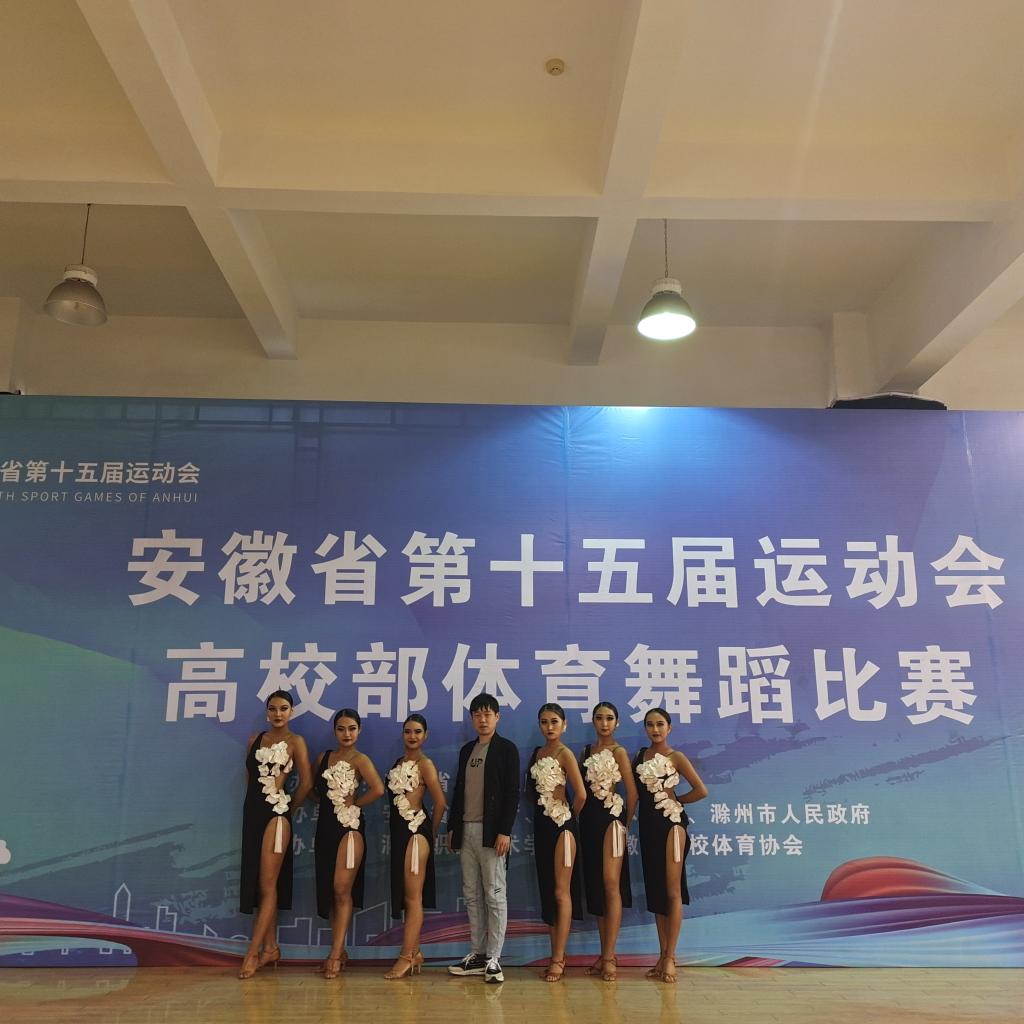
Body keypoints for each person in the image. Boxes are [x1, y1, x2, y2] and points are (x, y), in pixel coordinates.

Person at [446, 693, 520, 984]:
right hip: (466, 830)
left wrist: (505, 830)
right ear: (472, 719)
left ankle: (494, 958)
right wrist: (453, 827)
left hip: (492, 833)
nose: (483, 719)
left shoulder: (506, 749)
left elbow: (512, 793)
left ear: (497, 717)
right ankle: (477, 954)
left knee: (494, 894)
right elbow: (459, 791)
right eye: (477, 714)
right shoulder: (468, 750)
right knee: (472, 894)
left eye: (488, 714)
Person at [238, 690, 312, 980]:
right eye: (273, 708)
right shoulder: (254, 740)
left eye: (283, 708)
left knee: (268, 884)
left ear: (291, 711)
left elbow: (306, 783)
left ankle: (252, 953)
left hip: (277, 816)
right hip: (253, 815)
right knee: (260, 883)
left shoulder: (296, 742)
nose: (278, 714)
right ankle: (270, 947)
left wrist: (287, 809)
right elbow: (250, 779)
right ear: (267, 712)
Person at [632, 707, 708, 984]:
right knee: (656, 890)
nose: (655, 729)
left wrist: (676, 800)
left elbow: (701, 790)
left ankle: (671, 957)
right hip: (647, 827)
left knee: (672, 889)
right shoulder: (640, 756)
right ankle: (661, 955)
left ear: (669, 728)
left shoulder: (677, 757)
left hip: (673, 826)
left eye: (660, 724)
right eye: (650, 724)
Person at [313, 708, 385, 980]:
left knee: (341, 889)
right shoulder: (323, 758)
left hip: (350, 829)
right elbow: (311, 788)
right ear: (335, 731)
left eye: (352, 728)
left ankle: (334, 954)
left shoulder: (360, 759)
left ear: (359, 730)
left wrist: (354, 804)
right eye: (341, 729)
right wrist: (326, 804)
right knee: (330, 892)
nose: (347, 734)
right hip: (325, 828)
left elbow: (378, 789)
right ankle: (339, 950)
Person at [384, 713, 447, 980]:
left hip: (415, 832)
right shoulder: (398, 763)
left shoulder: (426, 764)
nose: (412, 736)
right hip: (400, 834)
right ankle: (416, 951)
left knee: (413, 898)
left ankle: (406, 956)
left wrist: (428, 831)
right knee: (406, 896)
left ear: (425, 735)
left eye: (418, 732)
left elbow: (440, 802)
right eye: (408, 731)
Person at [578, 701, 638, 982]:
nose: (604, 723)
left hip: (612, 820)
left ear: (617, 722)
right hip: (589, 821)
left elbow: (632, 793)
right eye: (600, 718)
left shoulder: (619, 752)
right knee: (597, 886)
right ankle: (603, 955)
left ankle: (611, 956)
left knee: (611, 883)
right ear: (593, 721)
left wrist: (625, 824)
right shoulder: (585, 752)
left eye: (609, 718)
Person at [527, 702, 586, 982]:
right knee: (549, 891)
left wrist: (566, 817)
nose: (549, 727)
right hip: (542, 827)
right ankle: (555, 954)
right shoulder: (537, 753)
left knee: (562, 892)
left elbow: (581, 794)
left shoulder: (565, 753)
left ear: (564, 725)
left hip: (562, 826)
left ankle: (559, 959)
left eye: (554, 722)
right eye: (544, 722)